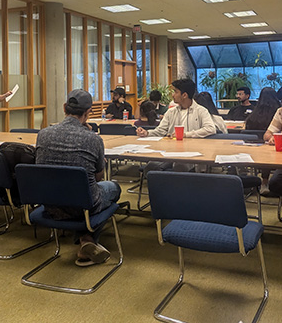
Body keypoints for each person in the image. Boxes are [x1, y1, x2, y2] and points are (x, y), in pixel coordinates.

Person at [35, 89, 121, 267]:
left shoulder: (43, 134)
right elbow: (98, 177)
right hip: (84, 204)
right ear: (88, 112)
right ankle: (87, 238)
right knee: (113, 187)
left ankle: (85, 238)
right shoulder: (93, 139)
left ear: (64, 107)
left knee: (80, 193)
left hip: (50, 204)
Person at [136, 79, 216, 139]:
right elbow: (160, 131)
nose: (173, 95)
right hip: (171, 151)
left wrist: (186, 135)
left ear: (184, 95)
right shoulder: (171, 112)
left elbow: (210, 129)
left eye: (175, 92)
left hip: (194, 150)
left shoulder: (201, 111)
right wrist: (146, 133)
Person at [245, 87, 281, 196]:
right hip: (276, 156)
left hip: (253, 154)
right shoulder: (279, 114)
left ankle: (259, 181)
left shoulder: (253, 115)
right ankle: (267, 182)